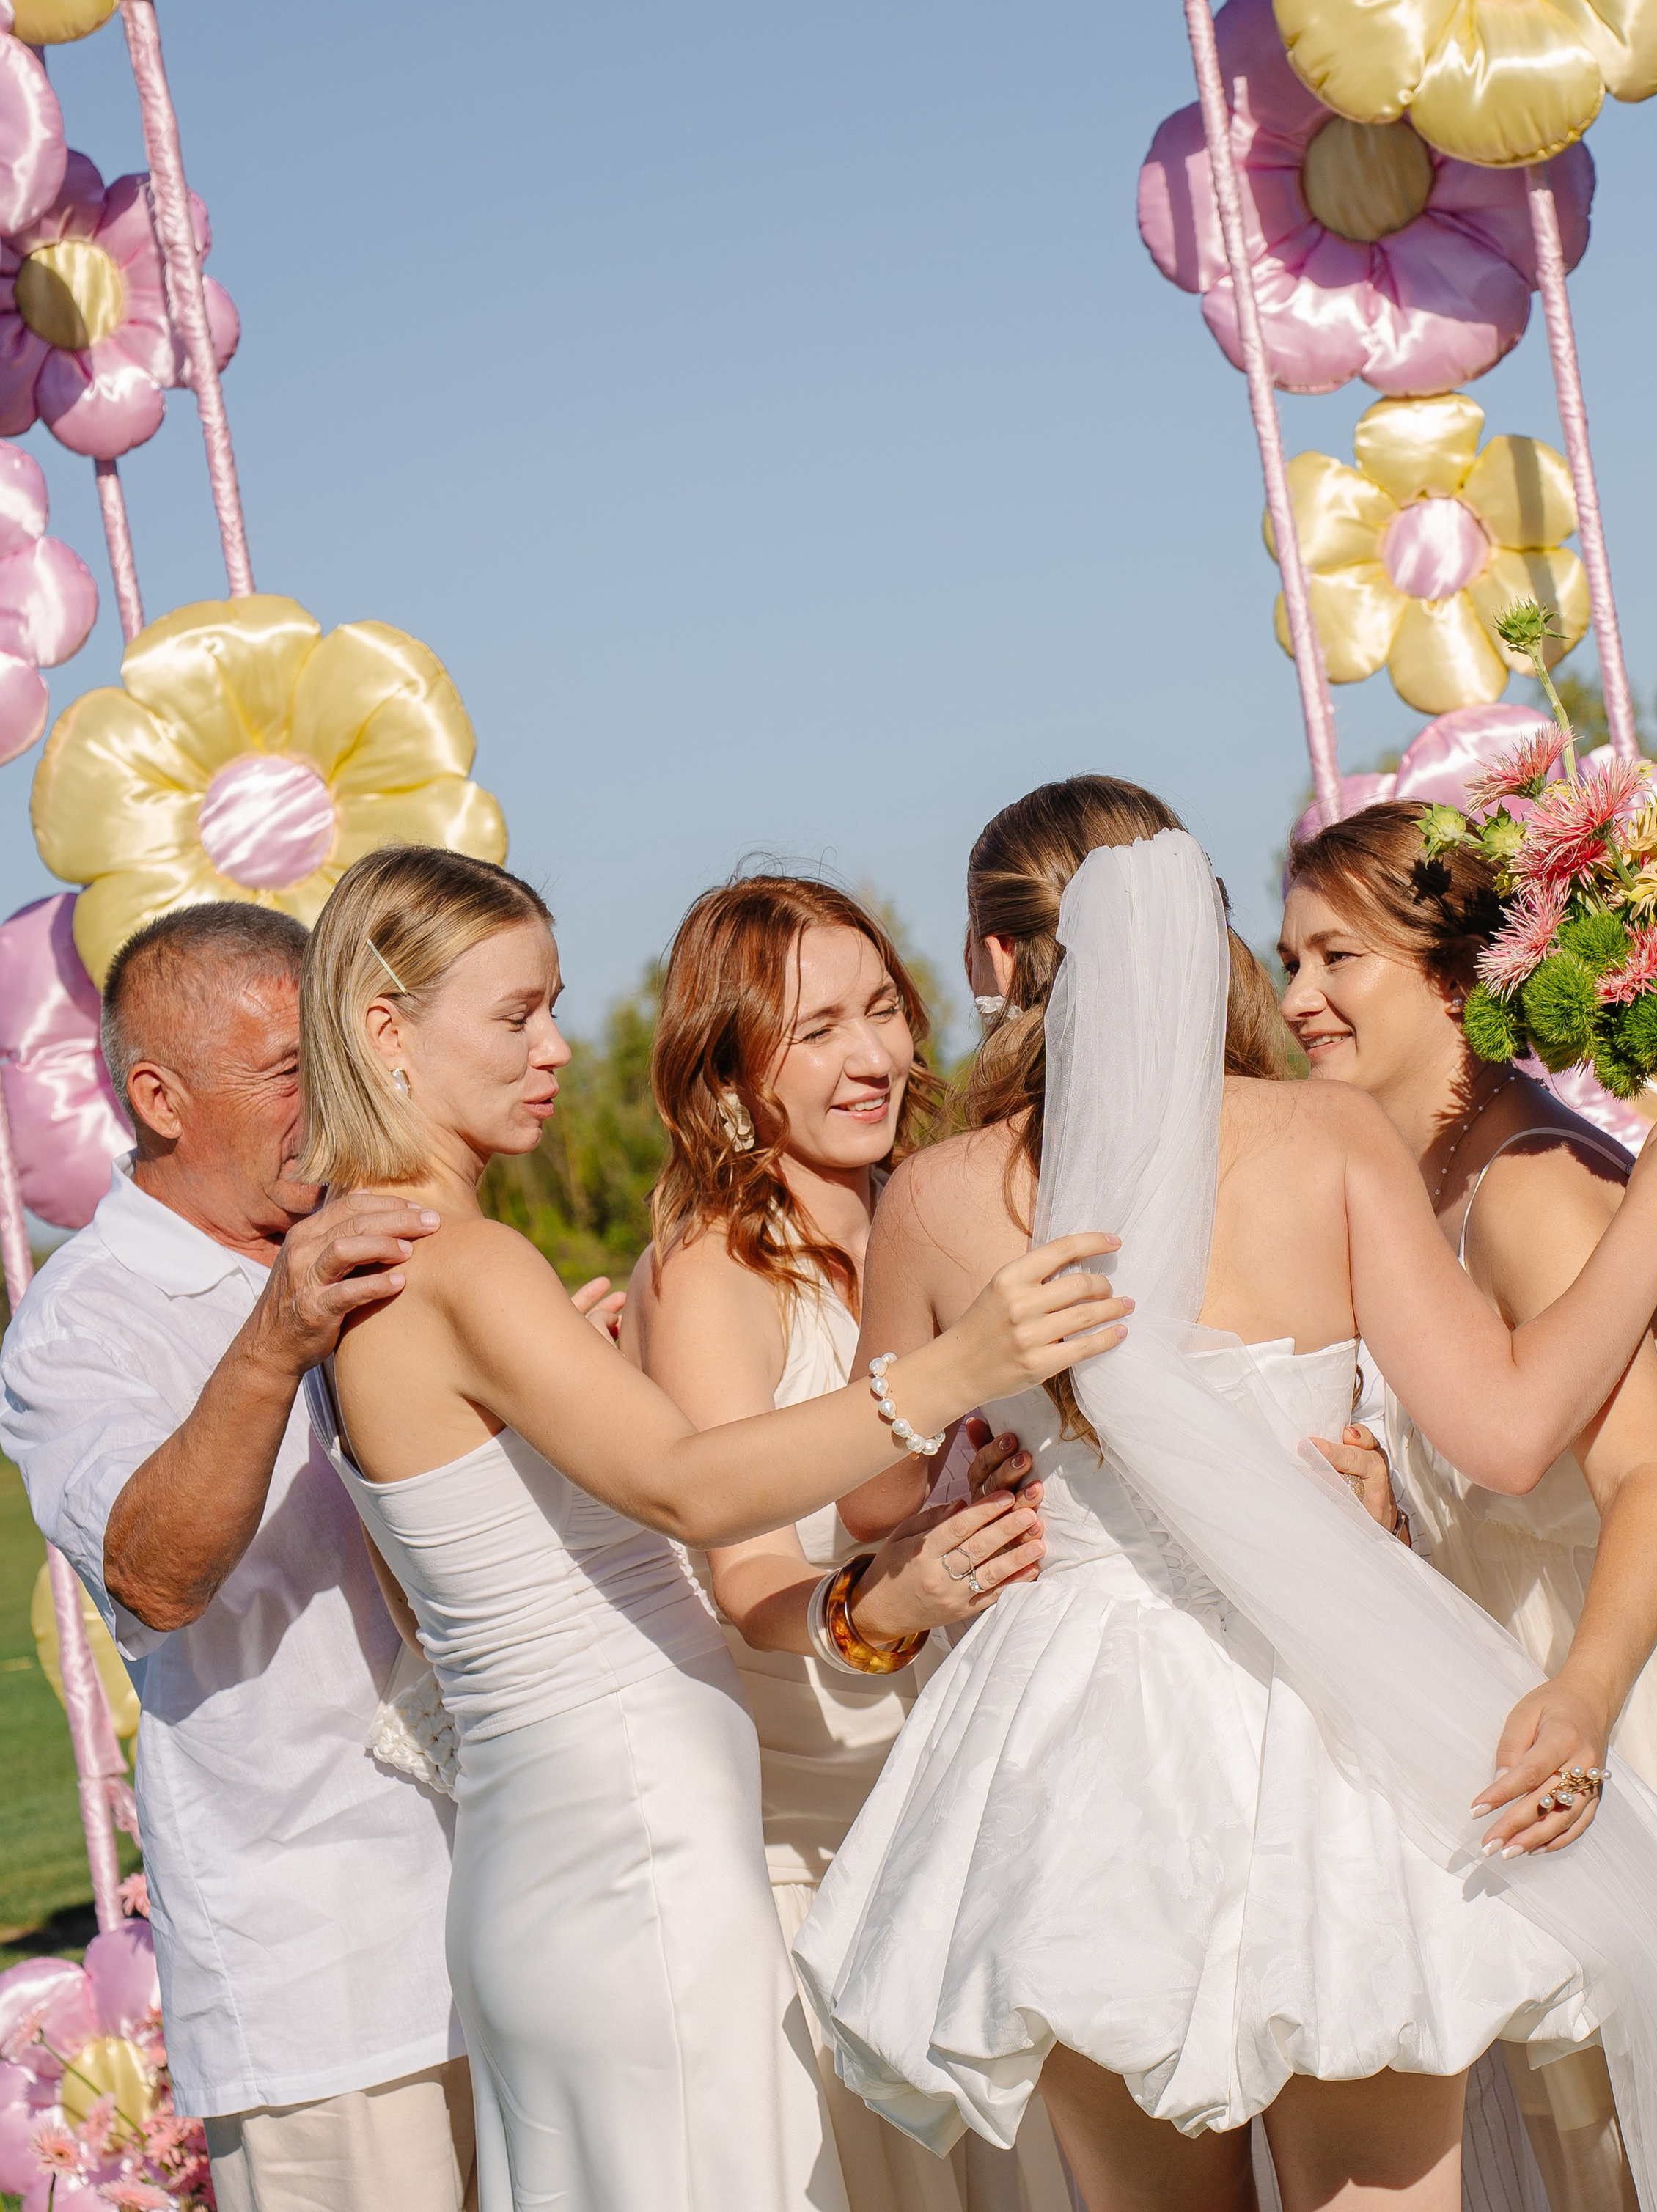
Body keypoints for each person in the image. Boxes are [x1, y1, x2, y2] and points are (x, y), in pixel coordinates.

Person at [793, 781, 1657, 2212]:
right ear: (1197, 936)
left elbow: (870, 1489)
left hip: (1075, 1740)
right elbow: (1499, 1428)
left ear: (991, 963)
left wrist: (967, 1473)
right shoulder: (1324, 1141)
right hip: (1331, 1708)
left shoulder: (930, 1196)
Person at [295, 842, 1131, 2212]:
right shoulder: (464, 1264)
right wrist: (953, 1368)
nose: (558, 1048)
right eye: (518, 1015)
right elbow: (690, 1487)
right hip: (635, 1840)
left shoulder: (391, 1265)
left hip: (563, 1841)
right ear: (386, 1031)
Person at [1279, 798, 1657, 2186]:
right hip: (1546, 1682)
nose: (1298, 998)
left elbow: (1652, 1486)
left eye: (1335, 958)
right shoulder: (1434, 1184)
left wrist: (1592, 1711)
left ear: (1448, 973)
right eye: (1291, 960)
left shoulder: (1532, 1181)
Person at [0, 902, 474, 2212]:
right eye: (287, 1071)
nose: (328, 1104)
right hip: (324, 1973)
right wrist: (275, 1336)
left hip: (508, 1911)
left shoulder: (397, 1237)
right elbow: (154, 1576)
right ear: (159, 1094)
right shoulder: (80, 1321)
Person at [627, 872, 1071, 2212]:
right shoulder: (719, 1268)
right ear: (728, 1067)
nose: (874, 1054)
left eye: (883, 1008)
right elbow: (747, 1573)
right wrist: (892, 1598)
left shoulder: (939, 1208)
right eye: (818, 1029)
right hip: (836, 1839)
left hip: (1004, 1799)